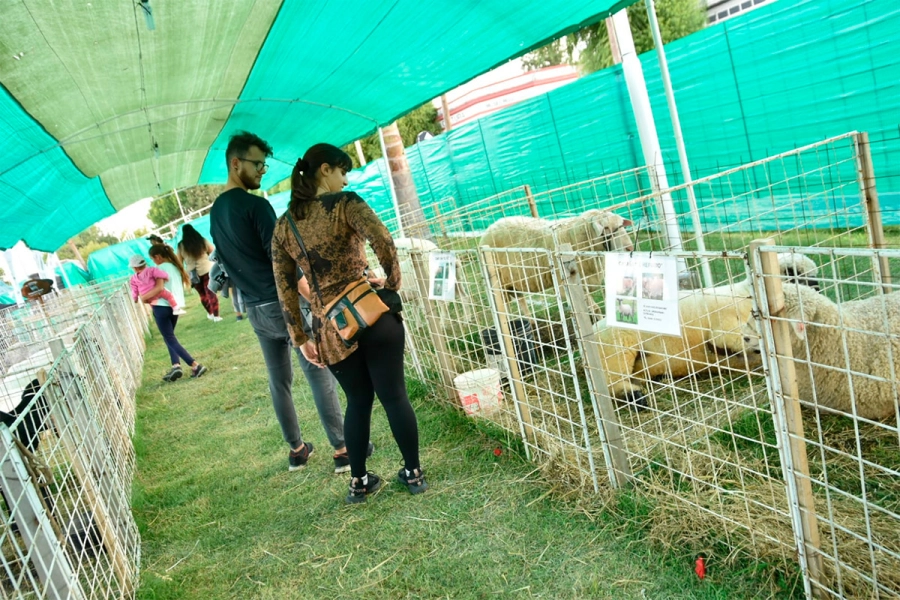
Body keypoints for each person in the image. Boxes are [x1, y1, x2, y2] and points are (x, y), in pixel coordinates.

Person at [272, 143, 427, 504]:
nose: (345, 180)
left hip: (331, 328)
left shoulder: (284, 226)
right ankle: (413, 473)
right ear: (325, 170)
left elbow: (284, 286)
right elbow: (383, 240)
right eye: (343, 171)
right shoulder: (346, 203)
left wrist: (300, 336)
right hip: (370, 309)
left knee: (358, 401)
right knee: (395, 396)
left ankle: (359, 483)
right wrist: (390, 282)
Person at [209, 131, 352, 473]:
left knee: (279, 381)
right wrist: (316, 301)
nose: (262, 171)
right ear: (235, 163)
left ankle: (297, 450)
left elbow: (226, 264)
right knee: (319, 372)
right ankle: (343, 449)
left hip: (256, 311)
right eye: (257, 164)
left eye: (264, 164)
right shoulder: (256, 206)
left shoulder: (216, 212)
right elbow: (284, 263)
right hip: (283, 304)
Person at [136, 249, 208, 381]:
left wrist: (143, 297)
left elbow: (159, 288)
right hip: (175, 306)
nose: (153, 262)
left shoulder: (159, 268)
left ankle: (195, 365)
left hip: (161, 306)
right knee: (169, 337)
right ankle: (176, 366)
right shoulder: (176, 267)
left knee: (169, 338)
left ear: (157, 256)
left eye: (152, 259)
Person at [177, 224, 221, 322]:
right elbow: (213, 251)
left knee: (202, 295)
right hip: (206, 269)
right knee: (210, 292)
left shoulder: (181, 245)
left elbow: (179, 261)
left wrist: (184, 271)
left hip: (192, 273)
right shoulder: (202, 240)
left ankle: (210, 313)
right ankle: (217, 316)